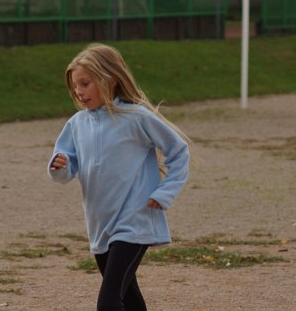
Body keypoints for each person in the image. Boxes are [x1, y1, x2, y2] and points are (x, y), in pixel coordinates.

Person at [48, 43, 190, 311]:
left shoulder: (136, 117)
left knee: (109, 302)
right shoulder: (76, 124)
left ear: (110, 79)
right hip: (100, 223)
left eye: (85, 83)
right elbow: (66, 167)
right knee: (130, 299)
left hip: (135, 219)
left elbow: (179, 151)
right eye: (75, 85)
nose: (78, 91)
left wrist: (165, 192)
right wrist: (60, 167)